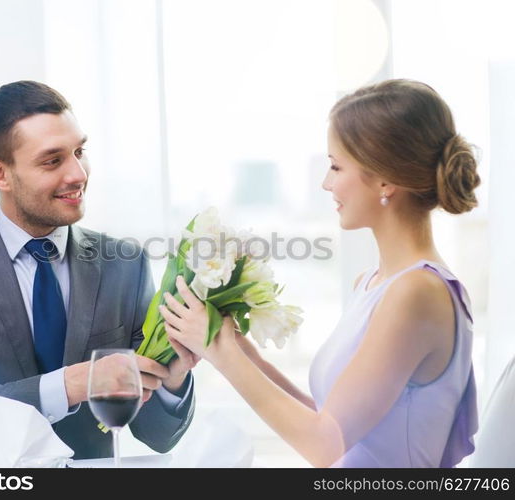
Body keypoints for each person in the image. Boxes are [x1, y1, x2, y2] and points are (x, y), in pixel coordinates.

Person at [160, 79, 480, 467]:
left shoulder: (418, 292)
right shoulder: (375, 283)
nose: (326, 182)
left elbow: (326, 444)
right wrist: (244, 354)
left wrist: (222, 353)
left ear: (384, 178)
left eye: (335, 165)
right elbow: (338, 424)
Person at [0, 80, 196, 460]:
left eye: (80, 151)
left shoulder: (125, 263)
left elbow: (158, 436)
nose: (78, 174)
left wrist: (173, 380)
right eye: (52, 160)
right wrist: (72, 384)